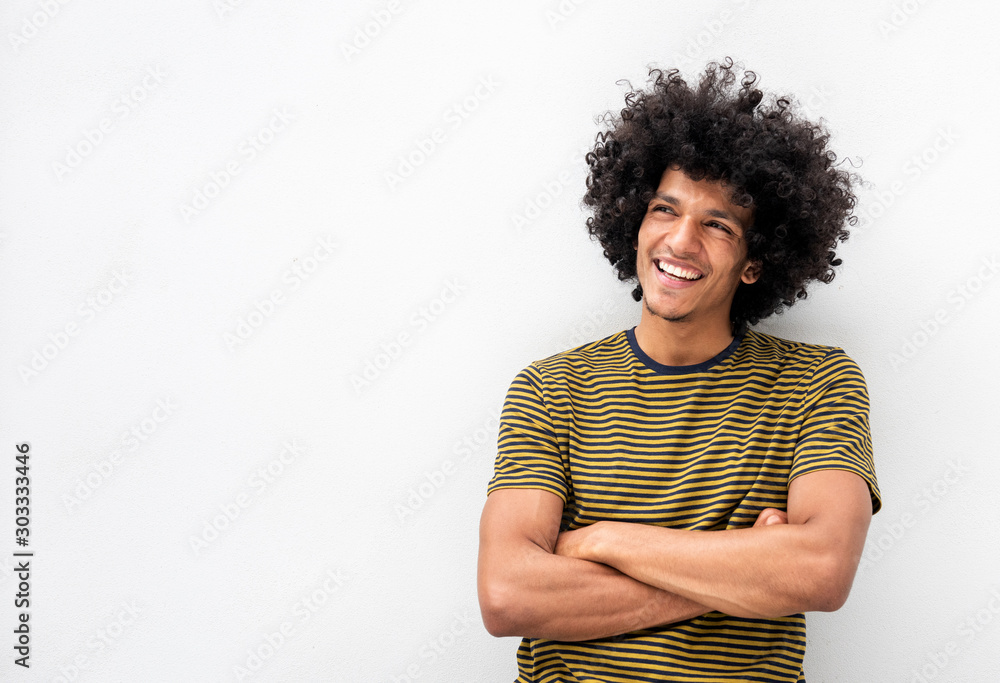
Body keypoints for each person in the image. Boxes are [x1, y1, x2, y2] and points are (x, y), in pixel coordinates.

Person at [477, 59, 881, 683]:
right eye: (665, 210)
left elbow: (821, 574)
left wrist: (599, 541)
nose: (681, 241)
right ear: (634, 222)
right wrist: (748, 571)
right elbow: (507, 595)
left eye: (718, 225)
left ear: (754, 262)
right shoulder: (551, 388)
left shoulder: (817, 383)